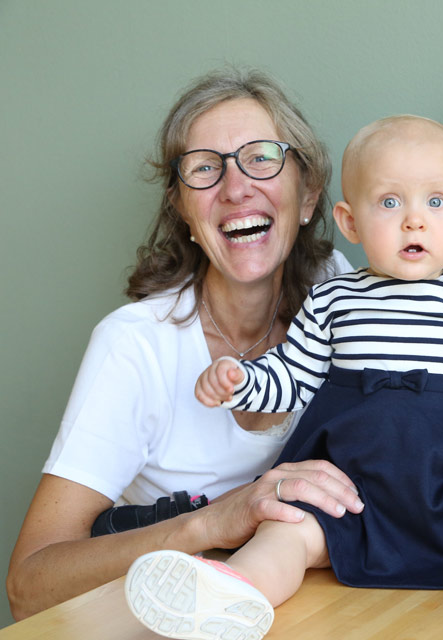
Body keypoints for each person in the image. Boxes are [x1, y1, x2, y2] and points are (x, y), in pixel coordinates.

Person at [125, 115, 443, 640]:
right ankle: (234, 591)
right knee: (290, 525)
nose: (414, 221)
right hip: (352, 489)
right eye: (390, 203)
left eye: (434, 203)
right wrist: (240, 380)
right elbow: (292, 376)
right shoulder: (334, 299)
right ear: (349, 222)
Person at [5, 68, 369, 621]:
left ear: (309, 195)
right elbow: (28, 585)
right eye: (205, 168)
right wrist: (210, 522)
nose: (236, 186)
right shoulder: (134, 346)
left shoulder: (340, 290)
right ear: (183, 209)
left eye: (262, 157)